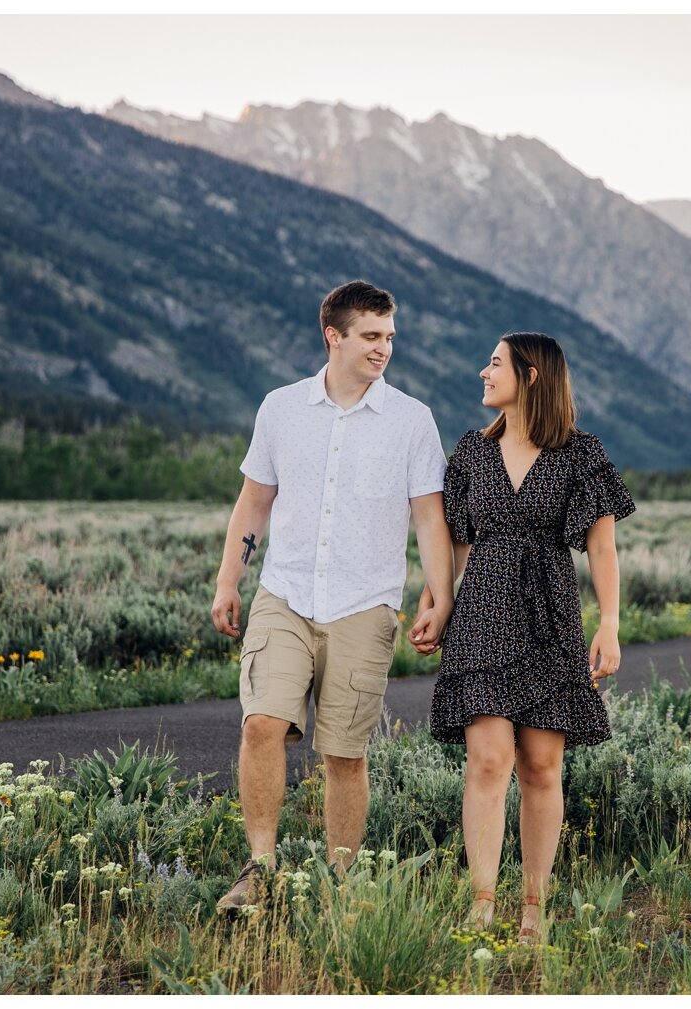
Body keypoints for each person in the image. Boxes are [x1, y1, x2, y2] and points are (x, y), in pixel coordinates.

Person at [211, 280, 454, 911]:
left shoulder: (411, 421)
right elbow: (254, 502)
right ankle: (260, 872)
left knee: (343, 756)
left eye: (390, 337)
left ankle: (340, 886)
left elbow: (430, 518)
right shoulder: (280, 409)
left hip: (364, 606)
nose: (384, 349)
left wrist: (440, 594)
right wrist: (227, 580)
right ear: (334, 337)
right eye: (372, 336)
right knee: (262, 725)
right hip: (284, 594)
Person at [422, 332, 635, 944]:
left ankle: (533, 910)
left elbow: (601, 545)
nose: (483, 372)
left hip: (550, 616)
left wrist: (611, 623)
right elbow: (454, 541)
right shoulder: (470, 452)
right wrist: (436, 604)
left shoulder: (580, 454)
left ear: (532, 375)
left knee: (542, 766)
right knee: (487, 760)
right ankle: (482, 905)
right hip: (483, 611)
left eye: (495, 363)